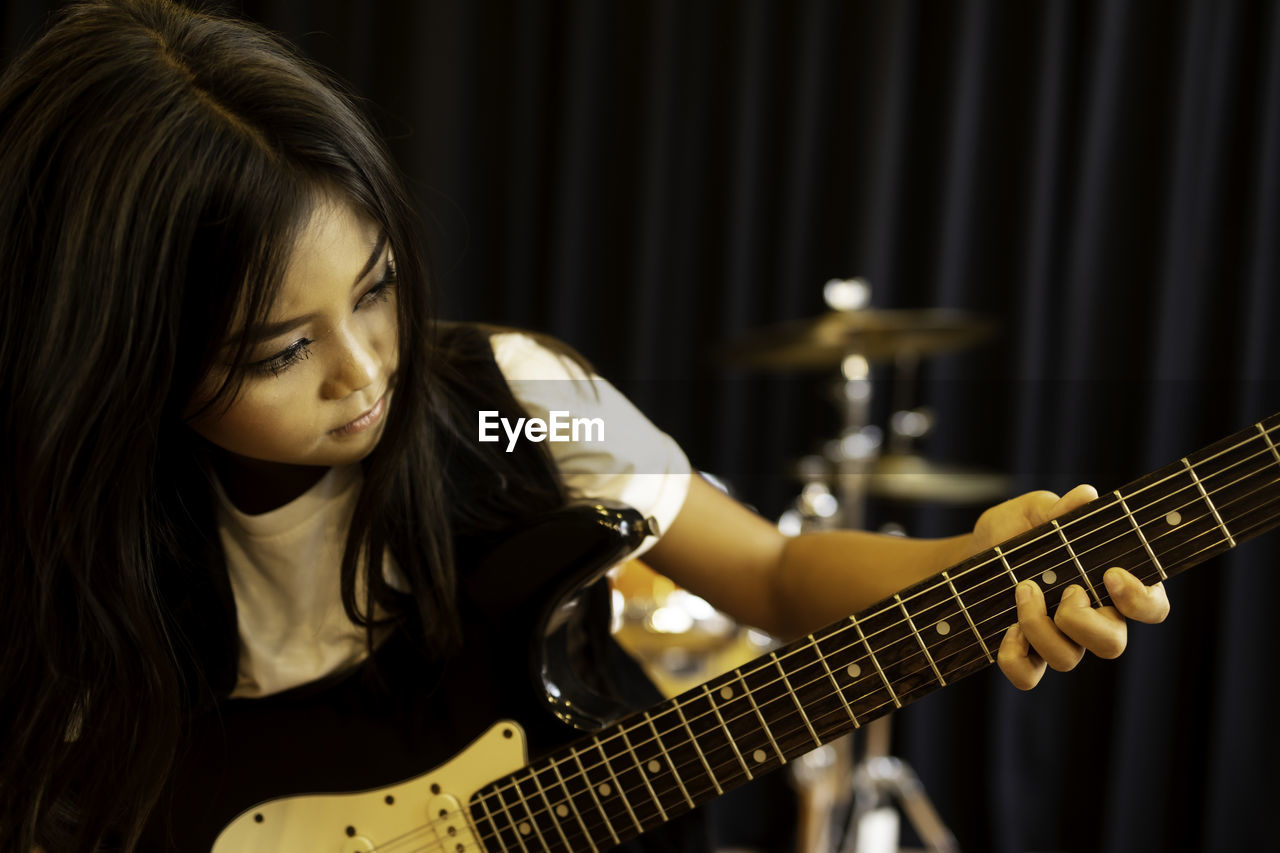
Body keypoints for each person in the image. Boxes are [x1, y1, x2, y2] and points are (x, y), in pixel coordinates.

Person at [0, 1, 1171, 851]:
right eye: (278, 350)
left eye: (374, 287)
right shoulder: (62, 552)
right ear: (123, 358)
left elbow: (768, 568)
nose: (365, 373)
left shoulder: (509, 410)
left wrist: (968, 566)